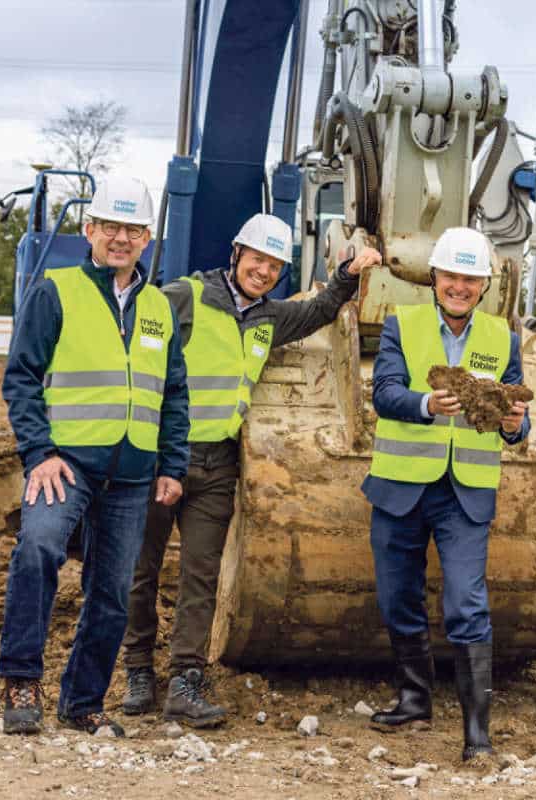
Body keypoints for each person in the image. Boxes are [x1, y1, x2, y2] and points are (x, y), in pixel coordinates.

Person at [120, 214, 381, 727]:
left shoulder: (269, 317)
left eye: (274, 265)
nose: (263, 271)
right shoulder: (185, 297)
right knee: (141, 571)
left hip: (217, 464)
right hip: (159, 456)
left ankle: (185, 682)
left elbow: (324, 308)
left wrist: (350, 272)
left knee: (201, 577)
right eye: (257, 259)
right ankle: (136, 671)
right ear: (237, 253)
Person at [0, 176, 189, 736]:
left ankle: (82, 702)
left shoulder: (157, 307)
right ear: (90, 230)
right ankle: (21, 679)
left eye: (132, 229)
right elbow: (22, 378)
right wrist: (38, 453)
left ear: (149, 237)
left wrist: (172, 465)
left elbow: (174, 392)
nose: (121, 238)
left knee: (112, 592)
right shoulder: (56, 291)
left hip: (132, 477)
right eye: (111, 227)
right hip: (65, 464)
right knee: (37, 548)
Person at [363, 227, 530, 762]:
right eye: (451, 276)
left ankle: (477, 734)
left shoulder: (502, 337)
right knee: (396, 598)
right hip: (400, 486)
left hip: (465, 494)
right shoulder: (401, 326)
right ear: (434, 278)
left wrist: (514, 424)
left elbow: (516, 424)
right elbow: (384, 394)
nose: (460, 286)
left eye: (470, 279)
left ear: (484, 286)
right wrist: (426, 407)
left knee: (466, 602)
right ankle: (414, 697)